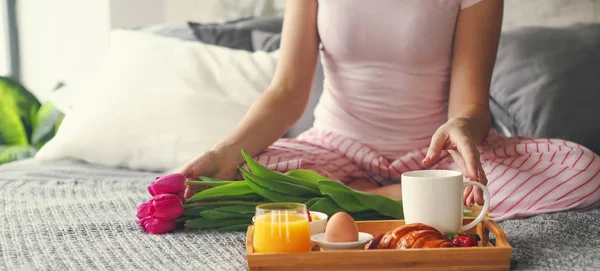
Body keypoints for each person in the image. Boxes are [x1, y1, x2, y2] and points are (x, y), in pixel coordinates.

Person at [179, 0, 600, 221]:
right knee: (241, 179)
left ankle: (366, 198)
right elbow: (288, 91)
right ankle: (417, 202)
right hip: (336, 148)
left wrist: (462, 126)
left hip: (435, 157)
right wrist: (227, 152)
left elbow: (470, 103)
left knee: (583, 169)